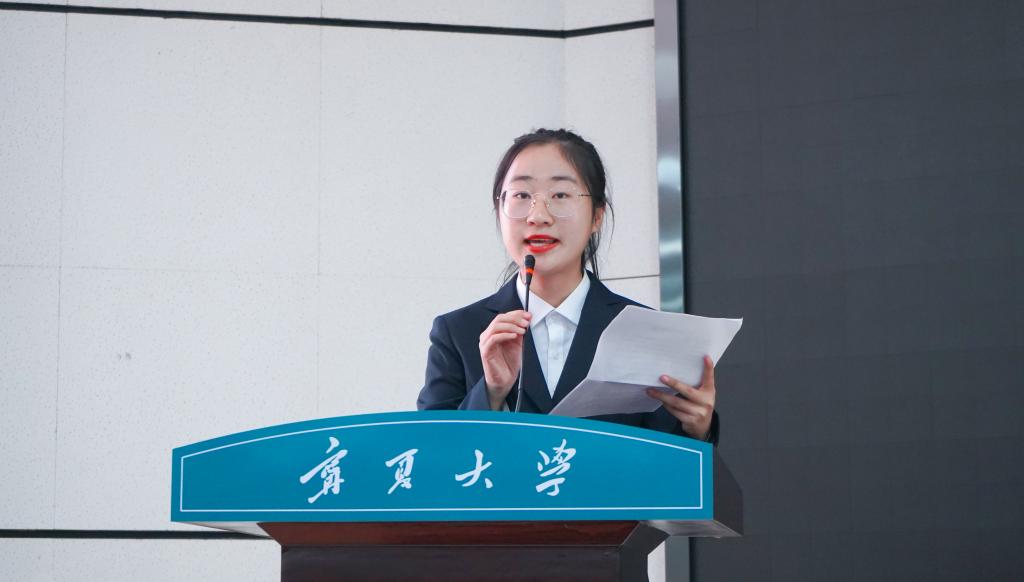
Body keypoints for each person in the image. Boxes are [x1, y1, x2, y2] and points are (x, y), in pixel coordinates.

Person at [416, 129, 718, 443]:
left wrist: (698, 431)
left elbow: (667, 462)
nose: (538, 215)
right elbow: (430, 452)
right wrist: (491, 392)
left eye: (560, 195)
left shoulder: (645, 332)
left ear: (597, 216)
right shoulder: (458, 332)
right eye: (521, 195)